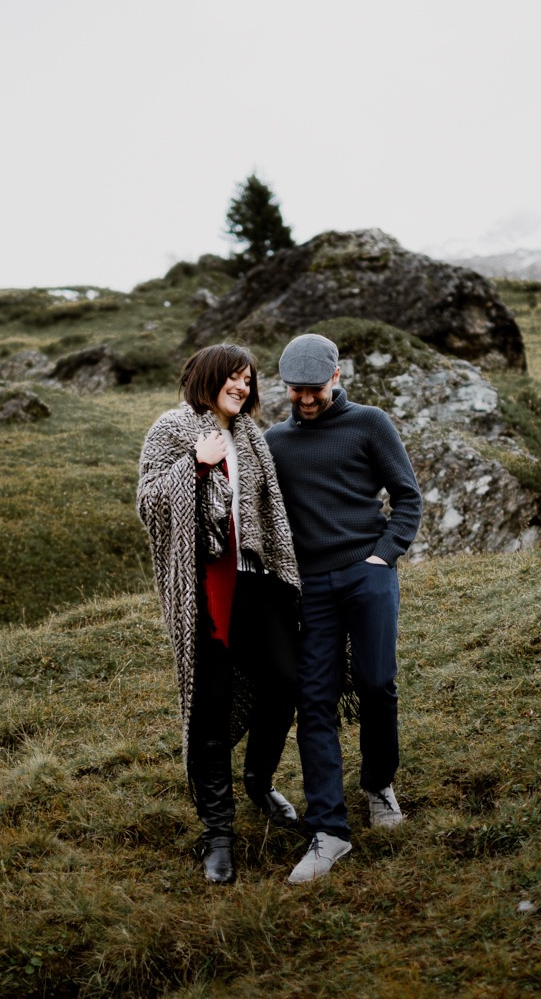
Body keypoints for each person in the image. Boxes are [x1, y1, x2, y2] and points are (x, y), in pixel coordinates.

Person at [136, 343, 304, 884]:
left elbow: (268, 508)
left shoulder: (252, 437)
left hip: (256, 577)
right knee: (209, 706)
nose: (243, 388)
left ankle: (258, 781)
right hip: (205, 583)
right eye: (234, 378)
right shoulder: (171, 429)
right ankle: (218, 832)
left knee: (284, 681)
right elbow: (149, 504)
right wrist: (196, 466)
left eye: (249, 381)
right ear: (208, 378)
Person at [264, 332, 423, 884]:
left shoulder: (370, 424)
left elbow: (407, 497)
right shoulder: (275, 443)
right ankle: (329, 831)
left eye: (314, 389)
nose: (304, 399)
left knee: (378, 683)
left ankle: (378, 783)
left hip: (367, 573)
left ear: (336, 377)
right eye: (294, 390)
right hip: (309, 586)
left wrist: (383, 556)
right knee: (315, 700)